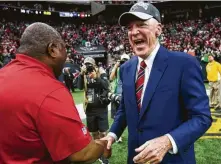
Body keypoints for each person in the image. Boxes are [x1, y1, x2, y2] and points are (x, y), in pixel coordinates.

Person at [102, 2, 212, 164]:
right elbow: (125, 110)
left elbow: (202, 117)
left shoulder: (184, 64)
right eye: (129, 28)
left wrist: (167, 141)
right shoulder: (126, 68)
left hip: (173, 160)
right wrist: (112, 135)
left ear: (158, 29)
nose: (134, 32)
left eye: (141, 25)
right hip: (136, 159)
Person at [0, 22, 111, 164]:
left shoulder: (3, 74)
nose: (66, 56)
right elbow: (82, 154)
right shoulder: (50, 90)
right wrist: (103, 146)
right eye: (64, 48)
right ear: (52, 49)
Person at [78, 57, 110, 164]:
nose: (88, 67)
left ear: (94, 64)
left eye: (90, 64)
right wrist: (81, 74)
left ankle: (106, 154)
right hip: (90, 109)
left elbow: (106, 85)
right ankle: (99, 154)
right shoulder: (84, 74)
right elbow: (79, 87)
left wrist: (96, 78)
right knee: (95, 133)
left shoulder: (101, 71)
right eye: (86, 65)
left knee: (103, 133)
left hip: (101, 108)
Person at [109, 53, 130, 143]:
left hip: (126, 94)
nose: (124, 63)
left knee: (128, 115)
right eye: (123, 61)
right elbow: (111, 77)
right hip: (116, 93)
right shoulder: (117, 68)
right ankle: (119, 135)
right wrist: (116, 66)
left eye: (126, 61)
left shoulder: (131, 69)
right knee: (117, 115)